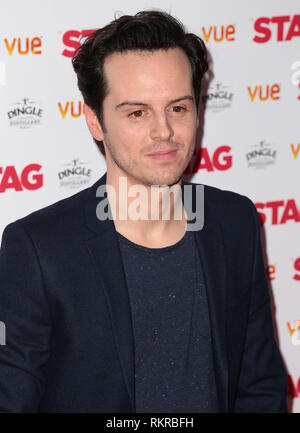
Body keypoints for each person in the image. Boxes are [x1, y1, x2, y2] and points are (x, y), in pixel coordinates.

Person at [0, 10, 288, 413]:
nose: (163, 131)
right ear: (95, 121)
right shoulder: (39, 248)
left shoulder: (234, 221)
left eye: (178, 108)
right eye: (137, 112)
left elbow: (261, 385)